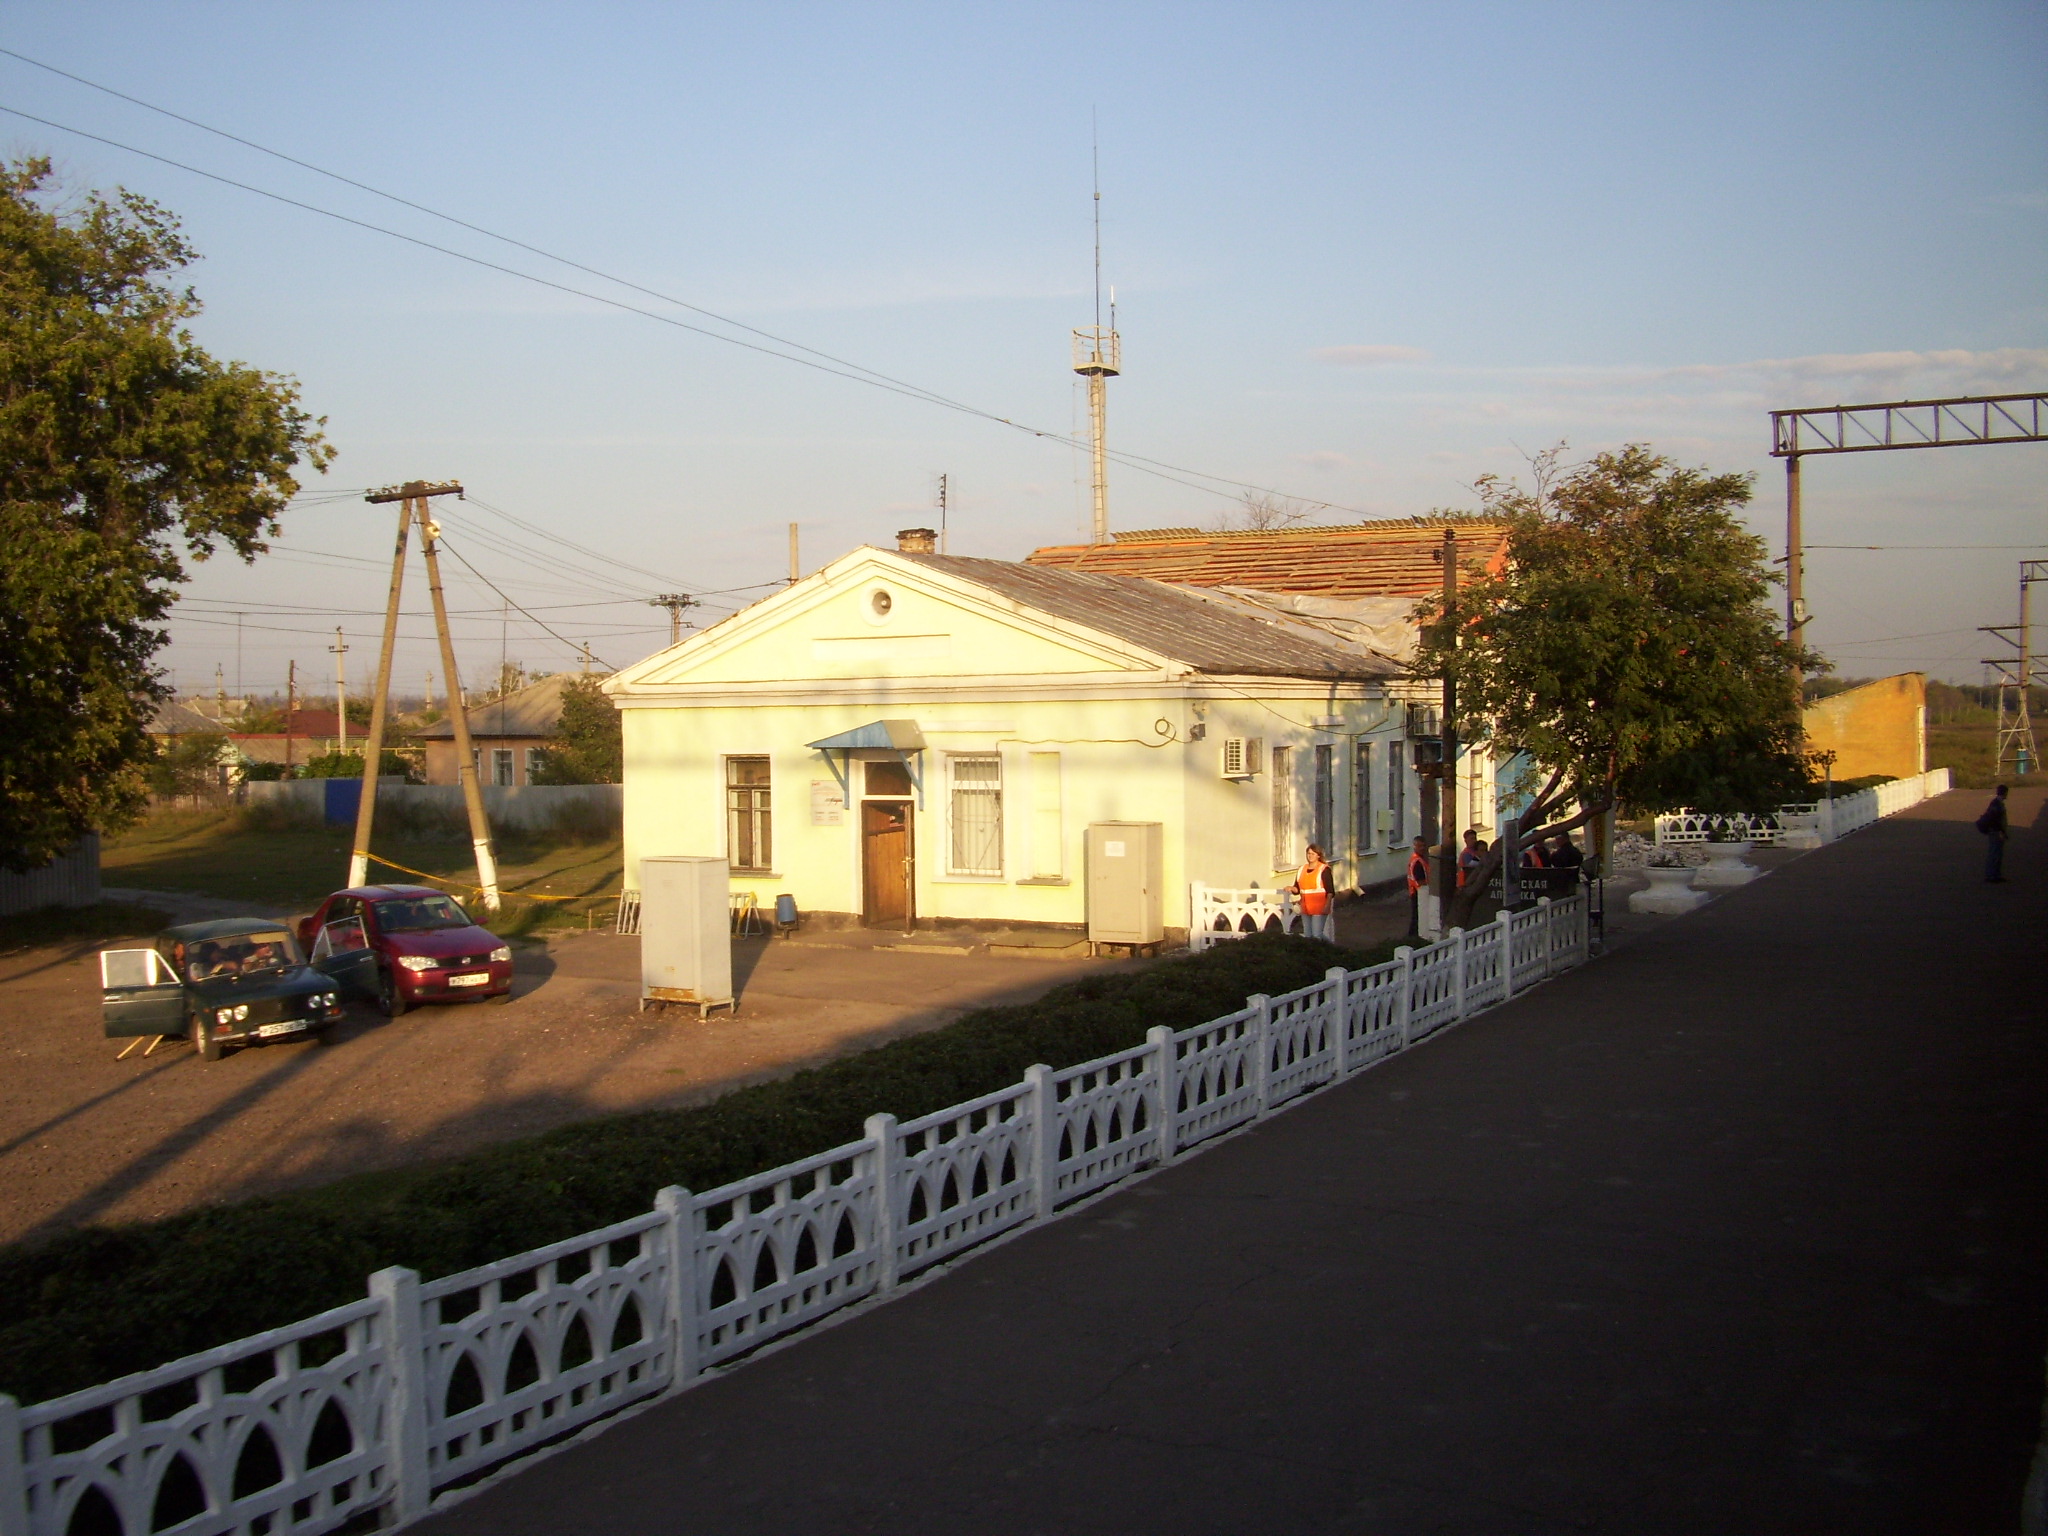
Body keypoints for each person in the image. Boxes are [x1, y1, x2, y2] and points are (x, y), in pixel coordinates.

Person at [1289, 844, 1337, 943]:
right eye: (1308, 853)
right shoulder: (1301, 869)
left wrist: (1327, 905)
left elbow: (1330, 891)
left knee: (1317, 934)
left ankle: (1330, 948)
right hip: (1305, 907)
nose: (1310, 856)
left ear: (1318, 855)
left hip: (1319, 906)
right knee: (1308, 934)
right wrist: (1290, 888)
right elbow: (1297, 889)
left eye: (1313, 854)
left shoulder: (1324, 869)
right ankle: (1314, 953)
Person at [1978, 784, 2010, 882]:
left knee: (1995, 853)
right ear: (2004, 793)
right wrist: (2002, 831)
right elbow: (1996, 820)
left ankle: (1994, 874)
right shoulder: (1997, 804)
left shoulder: (1995, 803)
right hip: (1996, 832)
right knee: (1995, 853)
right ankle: (1992, 875)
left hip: (1994, 831)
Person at [1405, 835, 1430, 938]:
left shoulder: (1416, 859)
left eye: (1423, 846)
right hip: (1418, 892)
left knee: (1416, 915)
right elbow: (1420, 881)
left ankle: (1413, 936)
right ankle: (1413, 937)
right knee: (1418, 916)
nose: (1422, 848)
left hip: (1415, 891)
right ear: (1414, 846)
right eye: (1420, 846)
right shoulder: (1417, 862)